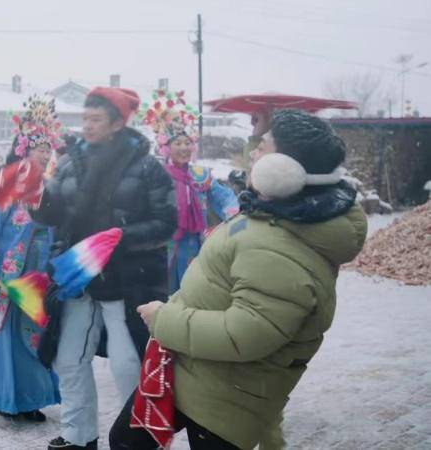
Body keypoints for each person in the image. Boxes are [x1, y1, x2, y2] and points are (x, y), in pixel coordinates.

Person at [110, 109, 367, 450]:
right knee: (127, 439)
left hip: (224, 393)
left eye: (263, 146)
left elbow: (245, 334)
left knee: (129, 441)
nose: (253, 153)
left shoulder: (281, 247)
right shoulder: (274, 214)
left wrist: (164, 319)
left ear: (285, 172)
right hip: (195, 369)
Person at [32, 87, 177, 450]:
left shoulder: (147, 167)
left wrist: (120, 237)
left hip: (127, 279)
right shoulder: (69, 162)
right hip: (78, 277)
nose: (87, 126)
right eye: (85, 118)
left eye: (96, 119)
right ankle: (79, 435)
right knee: (69, 357)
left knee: (128, 362)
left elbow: (166, 223)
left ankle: (136, 439)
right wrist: (35, 199)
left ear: (117, 123)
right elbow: (53, 213)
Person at [0, 96, 64, 423]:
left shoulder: (51, 185)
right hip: (11, 274)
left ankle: (32, 396)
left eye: (48, 147)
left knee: (36, 332)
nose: (45, 152)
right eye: (39, 146)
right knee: (10, 335)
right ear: (24, 147)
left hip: (41, 273)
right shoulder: (6, 182)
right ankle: (9, 398)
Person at [139, 89, 239, 293]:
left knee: (191, 290)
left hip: (193, 243)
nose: (184, 148)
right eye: (177, 143)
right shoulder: (155, 175)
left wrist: (231, 212)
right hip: (161, 244)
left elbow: (223, 196)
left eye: (188, 143)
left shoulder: (200, 174)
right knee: (161, 292)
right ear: (166, 147)